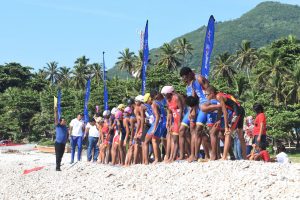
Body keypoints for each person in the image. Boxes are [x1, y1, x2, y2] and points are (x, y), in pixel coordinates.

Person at [204, 85, 246, 160]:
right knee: (240, 135)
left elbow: (225, 112)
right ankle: (245, 157)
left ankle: (224, 156)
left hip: (237, 111)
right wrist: (218, 120)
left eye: (206, 94)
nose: (205, 96)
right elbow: (221, 110)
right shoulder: (218, 96)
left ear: (212, 93)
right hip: (240, 109)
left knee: (228, 133)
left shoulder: (218, 97)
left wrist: (226, 126)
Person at [179, 67, 210, 162]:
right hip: (195, 107)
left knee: (198, 131)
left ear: (190, 74)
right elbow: (193, 98)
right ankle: (192, 154)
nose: (185, 80)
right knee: (185, 130)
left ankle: (196, 155)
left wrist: (209, 103)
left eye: (185, 77)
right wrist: (192, 110)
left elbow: (209, 90)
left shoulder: (199, 78)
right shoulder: (190, 83)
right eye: (184, 78)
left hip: (204, 105)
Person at [161, 86, 184, 162]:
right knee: (174, 139)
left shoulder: (176, 98)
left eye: (165, 94)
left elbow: (181, 110)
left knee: (177, 139)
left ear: (170, 93)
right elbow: (169, 112)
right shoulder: (168, 100)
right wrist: (168, 122)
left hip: (180, 119)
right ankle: (172, 157)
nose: (164, 96)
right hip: (175, 120)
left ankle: (174, 157)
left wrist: (180, 122)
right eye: (163, 95)